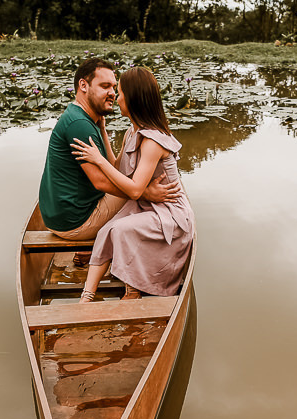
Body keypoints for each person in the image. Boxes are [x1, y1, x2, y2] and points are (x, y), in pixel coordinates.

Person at [70, 66, 195, 302]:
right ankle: (86, 296)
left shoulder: (153, 142)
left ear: (133, 99)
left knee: (120, 230)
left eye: (120, 93)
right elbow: (118, 169)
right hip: (147, 205)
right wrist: (103, 132)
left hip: (169, 214)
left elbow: (135, 189)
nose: (116, 98)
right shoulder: (132, 132)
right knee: (106, 230)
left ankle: (133, 291)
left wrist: (97, 160)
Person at [38, 58, 180, 242]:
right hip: (77, 221)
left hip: (61, 216)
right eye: (105, 86)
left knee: (131, 183)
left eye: (114, 88)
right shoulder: (80, 124)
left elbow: (114, 168)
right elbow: (101, 182)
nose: (112, 93)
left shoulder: (79, 116)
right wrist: (147, 194)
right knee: (136, 193)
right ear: (83, 85)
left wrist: (103, 131)